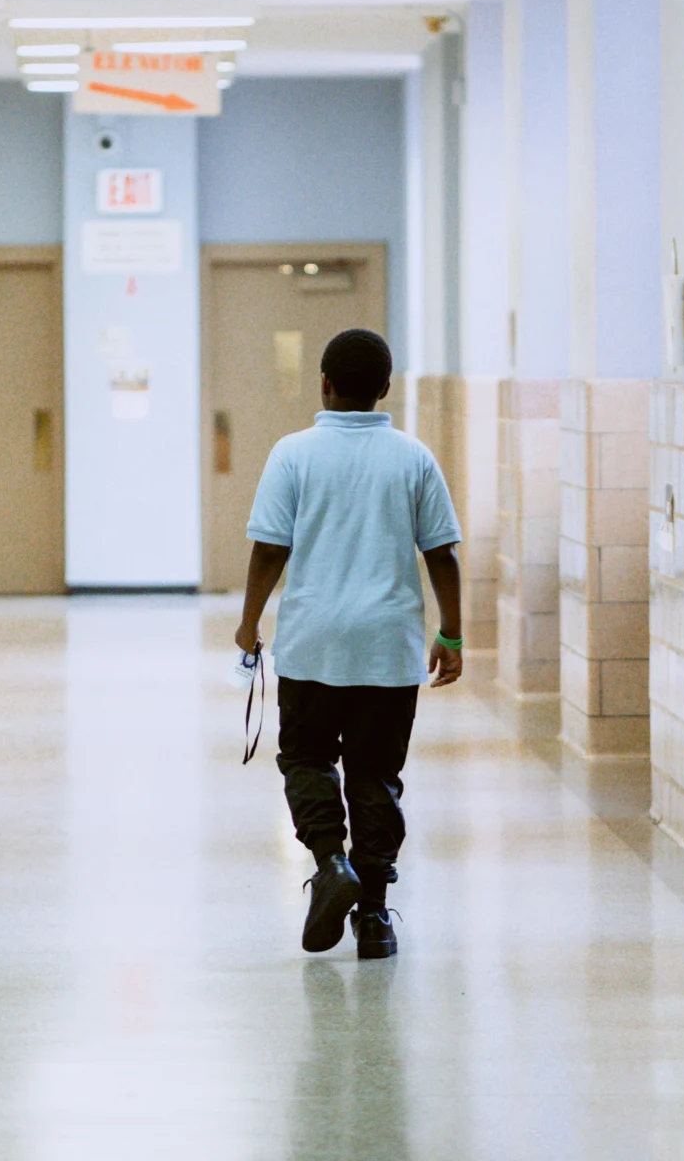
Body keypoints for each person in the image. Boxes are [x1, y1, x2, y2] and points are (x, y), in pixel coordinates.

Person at [235, 327, 463, 961]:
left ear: (325, 385)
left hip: (312, 645)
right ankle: (374, 917)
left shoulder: (293, 453)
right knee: (376, 776)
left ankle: (331, 863)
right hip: (388, 650)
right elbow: (442, 552)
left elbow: (269, 549)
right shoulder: (412, 457)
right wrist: (451, 631)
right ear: (385, 389)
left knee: (306, 759)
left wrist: (248, 620)